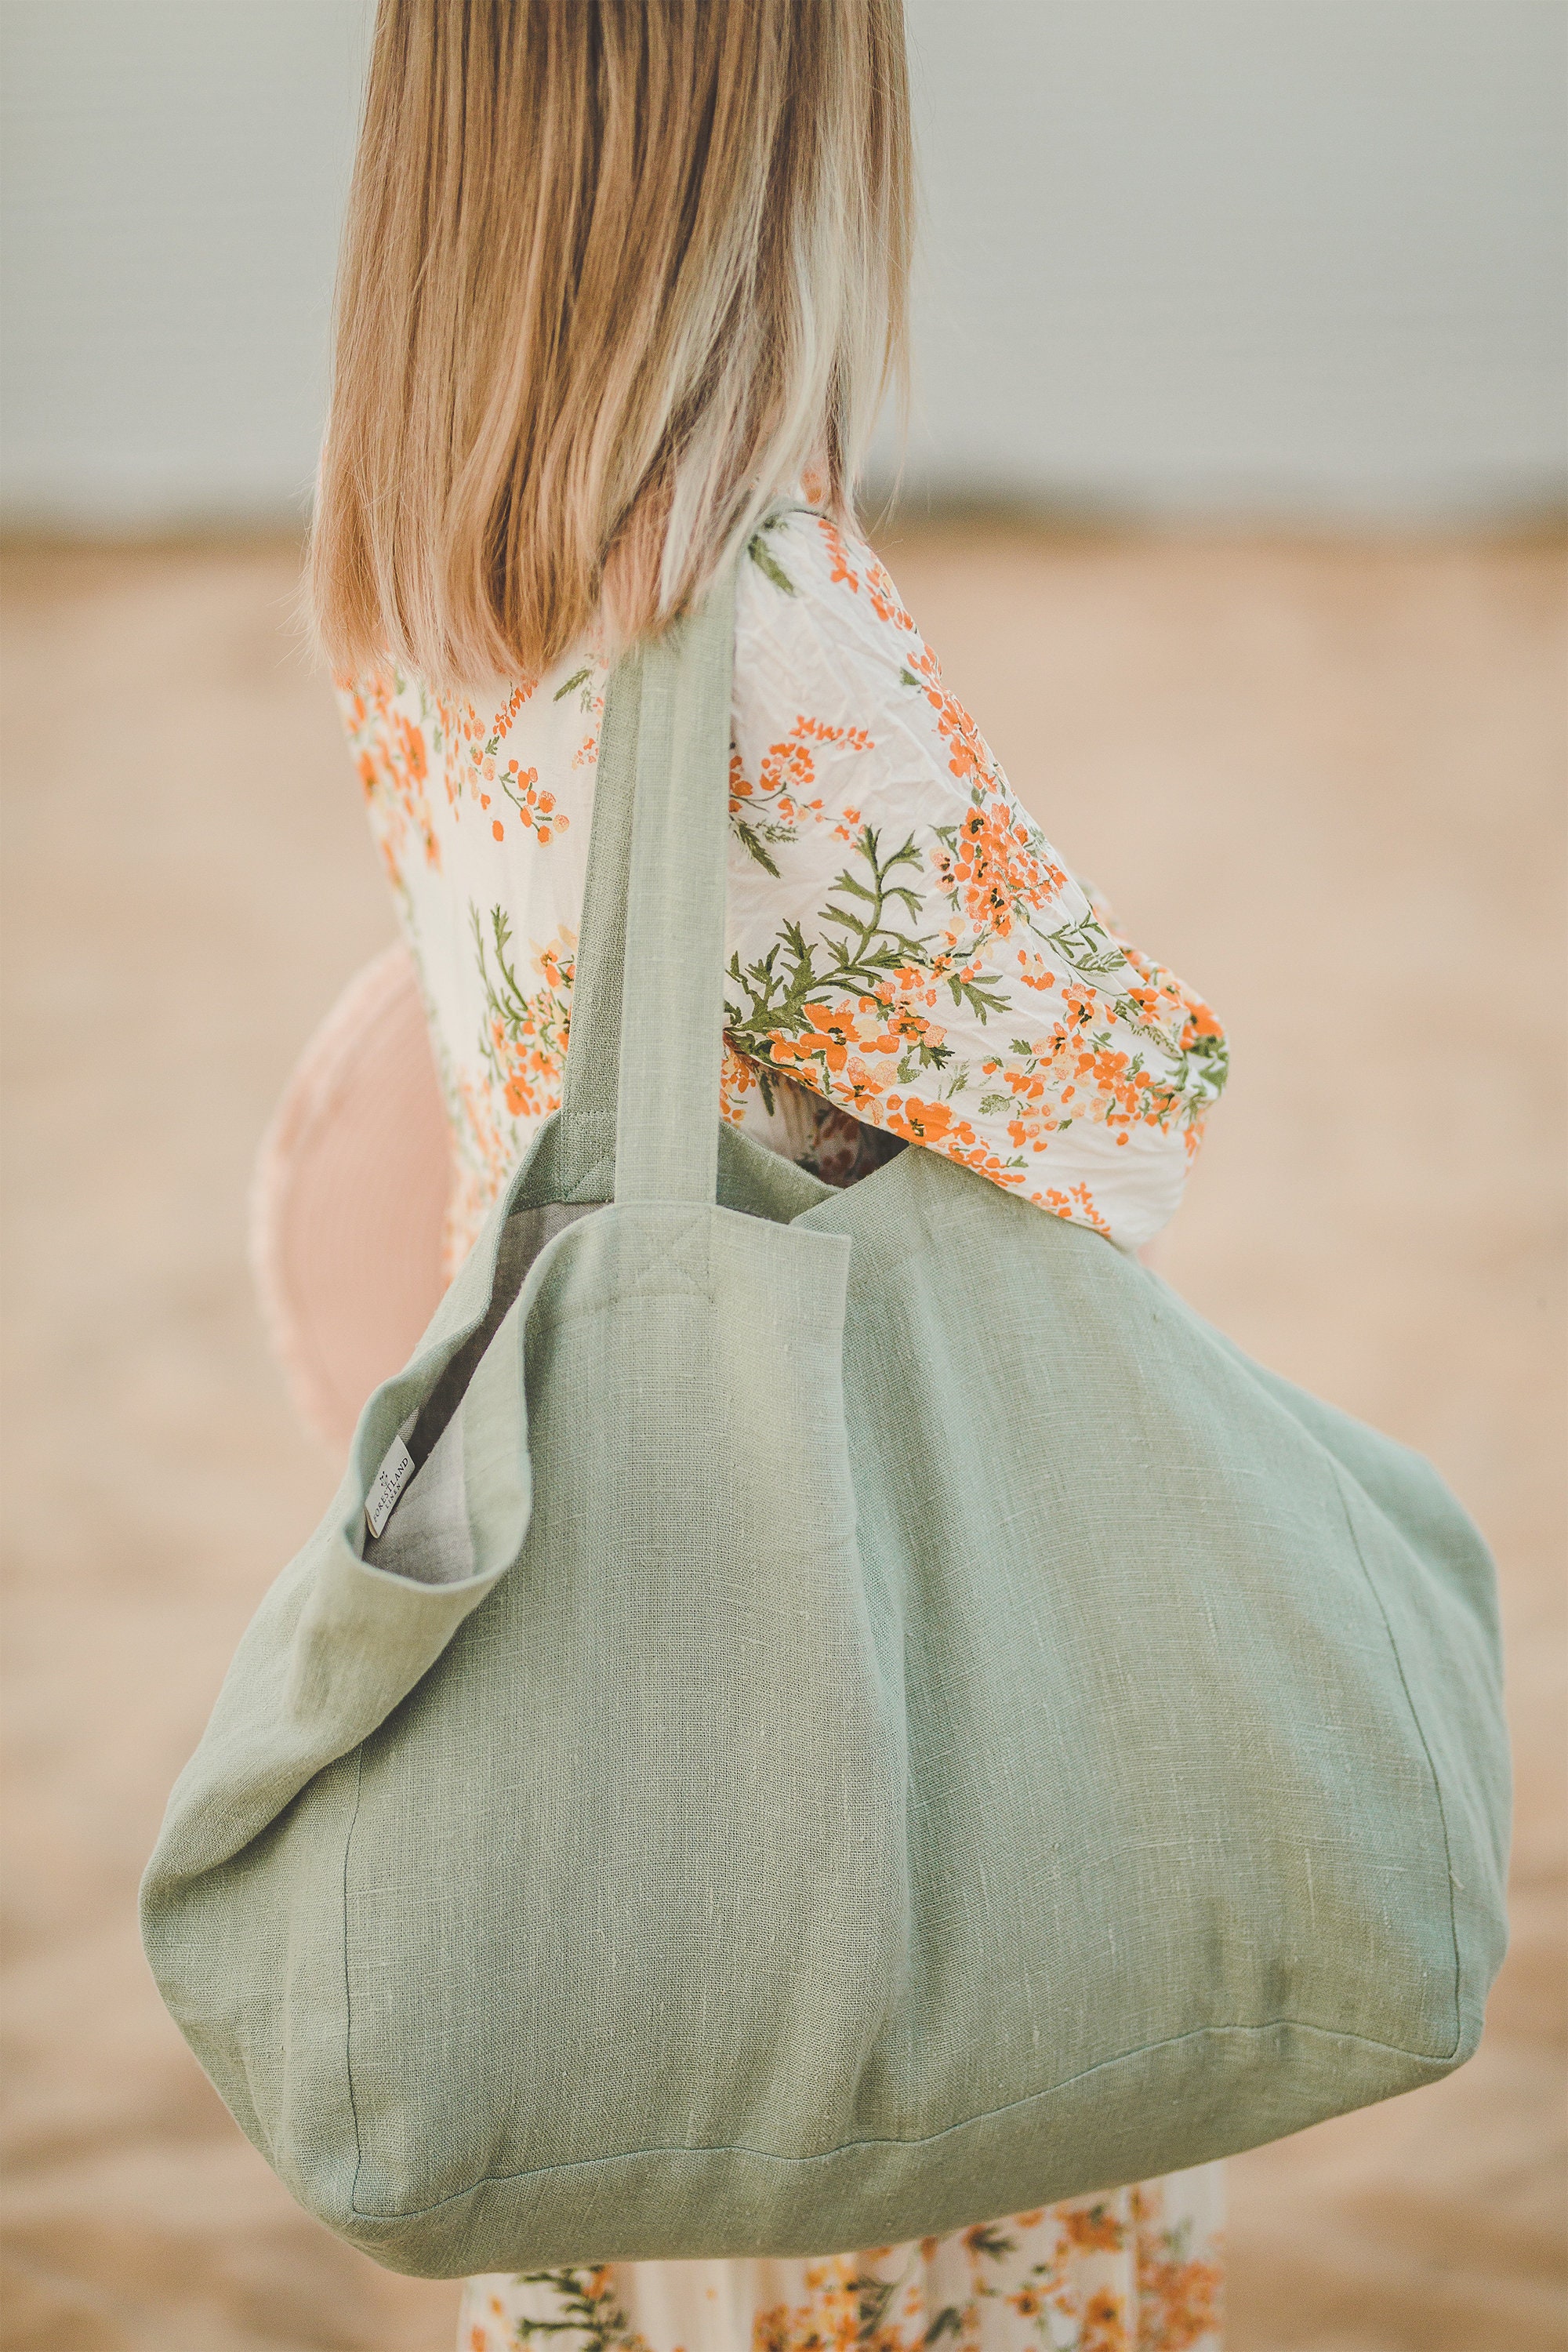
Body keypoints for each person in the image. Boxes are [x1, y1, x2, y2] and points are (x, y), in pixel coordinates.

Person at [310, 5, 1229, 2347]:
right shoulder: (767, 620)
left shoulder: (427, 600)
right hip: (859, 1723)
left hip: (568, 1673)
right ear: (773, 141)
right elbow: (1121, 1109)